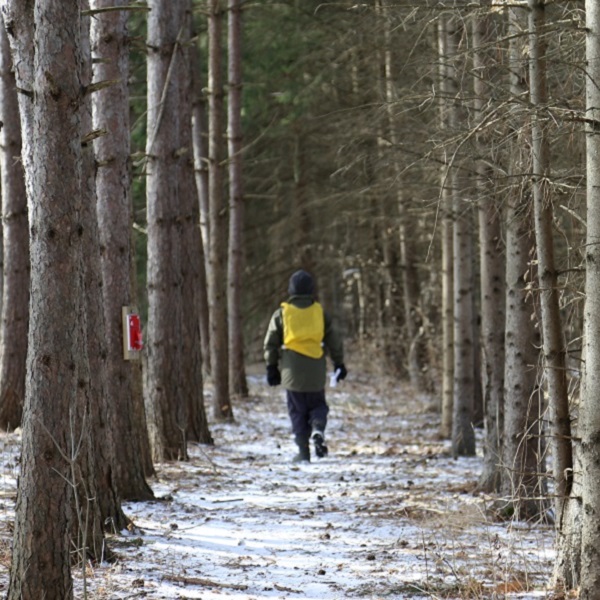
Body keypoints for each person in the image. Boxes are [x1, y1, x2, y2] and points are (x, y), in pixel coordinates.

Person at [263, 269, 347, 463]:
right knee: (318, 404)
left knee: (297, 411)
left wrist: (271, 366)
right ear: (311, 290)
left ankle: (303, 452)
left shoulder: (283, 313)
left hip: (292, 371)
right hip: (316, 370)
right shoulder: (319, 312)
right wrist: (339, 363)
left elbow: (271, 342)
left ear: (291, 289)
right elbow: (334, 340)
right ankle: (318, 428)